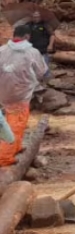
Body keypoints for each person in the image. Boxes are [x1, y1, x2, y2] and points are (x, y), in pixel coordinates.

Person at [0, 24, 47, 166]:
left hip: (3, 92)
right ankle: (4, 156)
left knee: (13, 119)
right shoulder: (32, 52)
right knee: (16, 123)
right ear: (27, 36)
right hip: (21, 93)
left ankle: (16, 146)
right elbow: (41, 71)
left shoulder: (2, 50)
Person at [24, 10, 54, 78]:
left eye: (37, 17)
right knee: (32, 63)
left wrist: (50, 45)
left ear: (40, 17)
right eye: (34, 17)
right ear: (31, 17)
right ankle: (34, 77)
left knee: (44, 63)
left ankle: (46, 76)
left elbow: (52, 35)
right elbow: (24, 35)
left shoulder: (45, 25)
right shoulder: (28, 25)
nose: (36, 18)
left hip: (43, 48)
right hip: (32, 48)